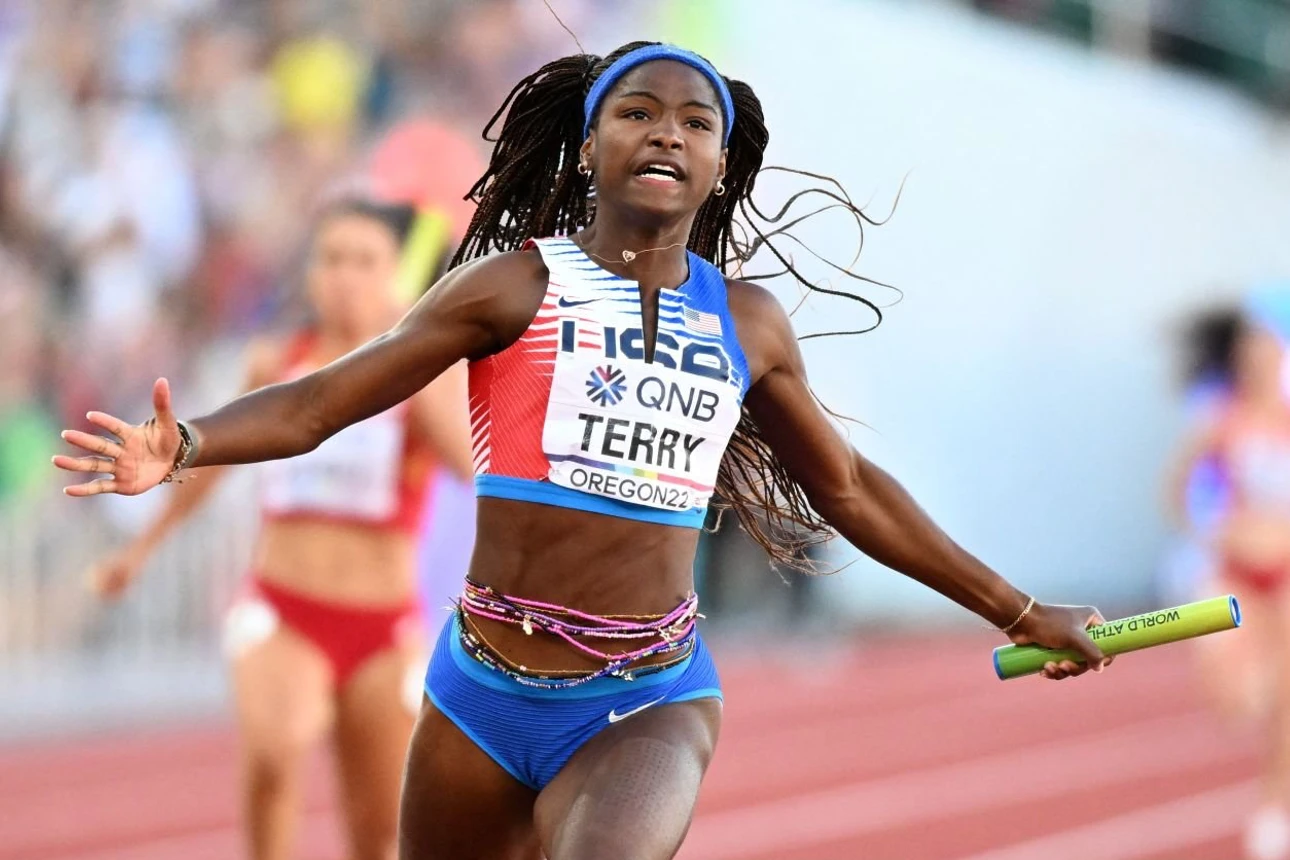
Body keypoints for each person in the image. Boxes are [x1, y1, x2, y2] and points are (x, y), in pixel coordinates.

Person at [56, 42, 1110, 860]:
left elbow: (848, 488)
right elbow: (329, 399)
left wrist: (1020, 610)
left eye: (695, 121)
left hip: (645, 693)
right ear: (588, 146)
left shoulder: (748, 324)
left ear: (720, 162)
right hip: (479, 688)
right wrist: (188, 441)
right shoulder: (514, 286)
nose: (666, 133)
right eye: (637, 113)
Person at [83, 199, 472, 860]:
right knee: (277, 745)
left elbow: (476, 471)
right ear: (312, 274)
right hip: (285, 610)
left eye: (364, 261)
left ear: (395, 276)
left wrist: (435, 390)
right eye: (332, 259)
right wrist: (141, 550)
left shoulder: (420, 377)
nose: (346, 276)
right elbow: (212, 466)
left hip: (384, 627)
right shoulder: (275, 363)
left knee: (379, 827)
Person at [1168, 294, 1290, 860]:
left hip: (1287, 570)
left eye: (1269, 352)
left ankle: (1273, 805)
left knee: (1287, 700)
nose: (1260, 362)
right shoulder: (1221, 421)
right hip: (1237, 569)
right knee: (1238, 701)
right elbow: (1174, 491)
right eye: (1251, 354)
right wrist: (1212, 531)